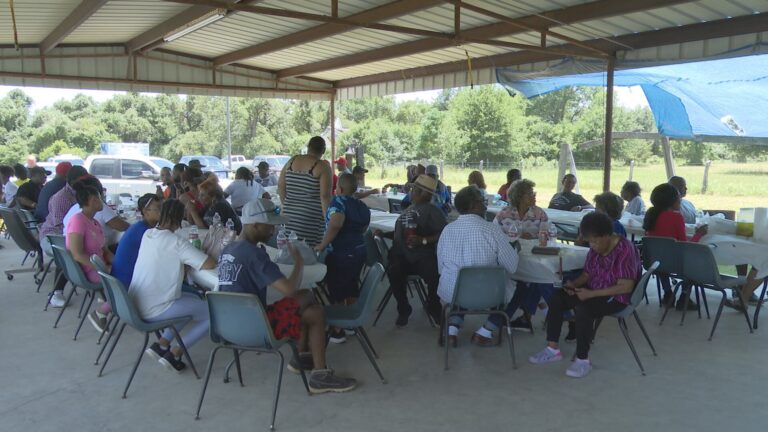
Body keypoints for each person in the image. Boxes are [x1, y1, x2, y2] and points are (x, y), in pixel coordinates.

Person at [218, 199, 357, 393]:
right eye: (270, 226)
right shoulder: (254, 254)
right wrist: (298, 261)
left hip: (228, 327)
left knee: (314, 312)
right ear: (254, 225)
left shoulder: (228, 249)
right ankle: (307, 363)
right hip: (257, 328)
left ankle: (308, 363)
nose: (272, 231)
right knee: (307, 295)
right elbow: (289, 289)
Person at [528, 212, 641, 378]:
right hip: (594, 290)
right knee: (557, 297)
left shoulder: (625, 249)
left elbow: (626, 286)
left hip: (617, 297)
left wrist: (591, 294)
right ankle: (552, 349)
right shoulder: (596, 248)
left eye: (595, 241)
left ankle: (582, 360)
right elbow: (587, 274)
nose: (592, 245)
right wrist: (573, 285)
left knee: (584, 309)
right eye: (590, 242)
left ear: (607, 235)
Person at [130, 199, 217, 372]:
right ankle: (176, 352)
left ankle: (162, 344)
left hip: (135, 304)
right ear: (179, 219)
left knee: (192, 299)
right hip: (155, 308)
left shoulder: (148, 234)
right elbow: (209, 263)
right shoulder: (176, 242)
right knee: (214, 314)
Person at [437, 186, 519, 347]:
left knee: (460, 282)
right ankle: (486, 331)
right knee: (519, 287)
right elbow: (512, 266)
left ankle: (451, 332)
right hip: (487, 295)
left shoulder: (447, 230)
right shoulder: (492, 230)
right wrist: (515, 250)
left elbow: (441, 268)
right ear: (473, 205)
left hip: (451, 293)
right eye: (483, 201)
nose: (486, 205)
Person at [482, 179, 550, 337]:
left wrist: (535, 237)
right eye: (530, 193)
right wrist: (518, 236)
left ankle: (525, 318)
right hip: (508, 261)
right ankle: (543, 311)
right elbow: (493, 238)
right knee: (534, 283)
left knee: (537, 279)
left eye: (534, 193)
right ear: (519, 196)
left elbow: (547, 237)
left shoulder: (540, 214)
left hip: (532, 260)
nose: (534, 195)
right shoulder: (503, 214)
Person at [88, 193, 162, 333]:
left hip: (120, 278)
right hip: (128, 281)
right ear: (145, 211)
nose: (162, 212)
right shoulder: (145, 232)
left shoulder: (140, 227)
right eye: (158, 208)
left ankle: (104, 309)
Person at [381, 175, 446, 326]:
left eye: (414, 189)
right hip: (401, 254)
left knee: (434, 275)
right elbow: (402, 233)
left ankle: (433, 306)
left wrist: (423, 240)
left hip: (422, 255)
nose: (411, 192)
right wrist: (385, 234)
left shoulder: (433, 211)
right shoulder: (410, 208)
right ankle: (403, 308)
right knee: (394, 271)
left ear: (424, 193)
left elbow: (444, 233)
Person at [315, 173, 371, 343]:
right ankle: (350, 323)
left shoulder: (338, 202)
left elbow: (336, 223)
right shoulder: (361, 205)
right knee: (351, 284)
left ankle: (337, 331)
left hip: (341, 252)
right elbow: (364, 227)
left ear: (339, 188)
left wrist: (322, 245)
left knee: (337, 289)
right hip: (359, 250)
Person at [643, 183, 707, 309]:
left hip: (655, 263)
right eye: (678, 197)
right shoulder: (676, 217)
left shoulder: (650, 215)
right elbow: (684, 246)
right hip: (677, 264)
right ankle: (684, 296)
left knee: (661, 258)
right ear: (672, 200)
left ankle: (668, 294)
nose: (680, 199)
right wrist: (699, 234)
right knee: (694, 264)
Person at [38, 165, 89, 308]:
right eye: (82, 180)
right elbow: (61, 226)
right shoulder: (62, 197)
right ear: (72, 181)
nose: (85, 183)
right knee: (69, 253)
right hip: (52, 236)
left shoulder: (80, 193)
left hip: (65, 233)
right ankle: (56, 293)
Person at [278, 136, 332, 247]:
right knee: (308, 255)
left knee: (289, 251)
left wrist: (286, 204)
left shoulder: (291, 161)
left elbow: (281, 186)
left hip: (288, 215)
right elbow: (325, 196)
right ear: (323, 150)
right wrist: (329, 221)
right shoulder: (323, 166)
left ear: (308, 147)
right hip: (310, 218)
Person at [65, 180, 113, 288]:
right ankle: (111, 304)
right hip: (89, 271)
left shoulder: (94, 222)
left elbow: (105, 251)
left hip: (99, 267)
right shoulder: (78, 220)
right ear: (93, 200)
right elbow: (77, 254)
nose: (103, 201)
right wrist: (104, 268)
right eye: (101, 198)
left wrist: (119, 263)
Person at [63, 176, 130, 250]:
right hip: (86, 256)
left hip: (72, 254)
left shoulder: (75, 208)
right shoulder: (78, 219)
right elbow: (123, 226)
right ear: (94, 199)